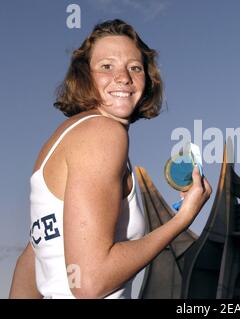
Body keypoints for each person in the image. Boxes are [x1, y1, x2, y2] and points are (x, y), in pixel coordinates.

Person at [9, 19, 212, 299]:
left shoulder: (62, 139)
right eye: (107, 66)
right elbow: (89, 283)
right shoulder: (103, 133)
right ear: (84, 76)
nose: (124, 77)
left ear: (147, 79)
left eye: (135, 67)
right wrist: (183, 219)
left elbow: (33, 259)